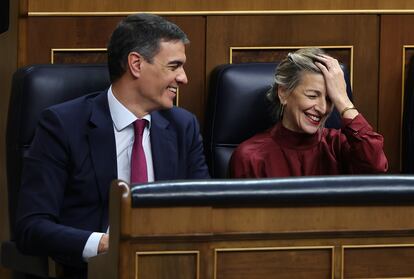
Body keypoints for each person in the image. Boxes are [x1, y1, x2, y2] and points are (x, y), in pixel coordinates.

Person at [15, 13, 210, 278]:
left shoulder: (183, 127)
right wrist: (105, 245)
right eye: (174, 66)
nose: (183, 78)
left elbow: (204, 212)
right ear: (136, 64)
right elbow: (32, 227)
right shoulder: (63, 125)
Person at [230, 48, 388, 178]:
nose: (322, 108)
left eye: (330, 99)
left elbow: (377, 170)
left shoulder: (340, 146)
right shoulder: (250, 157)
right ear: (283, 93)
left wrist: (343, 101)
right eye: (312, 96)